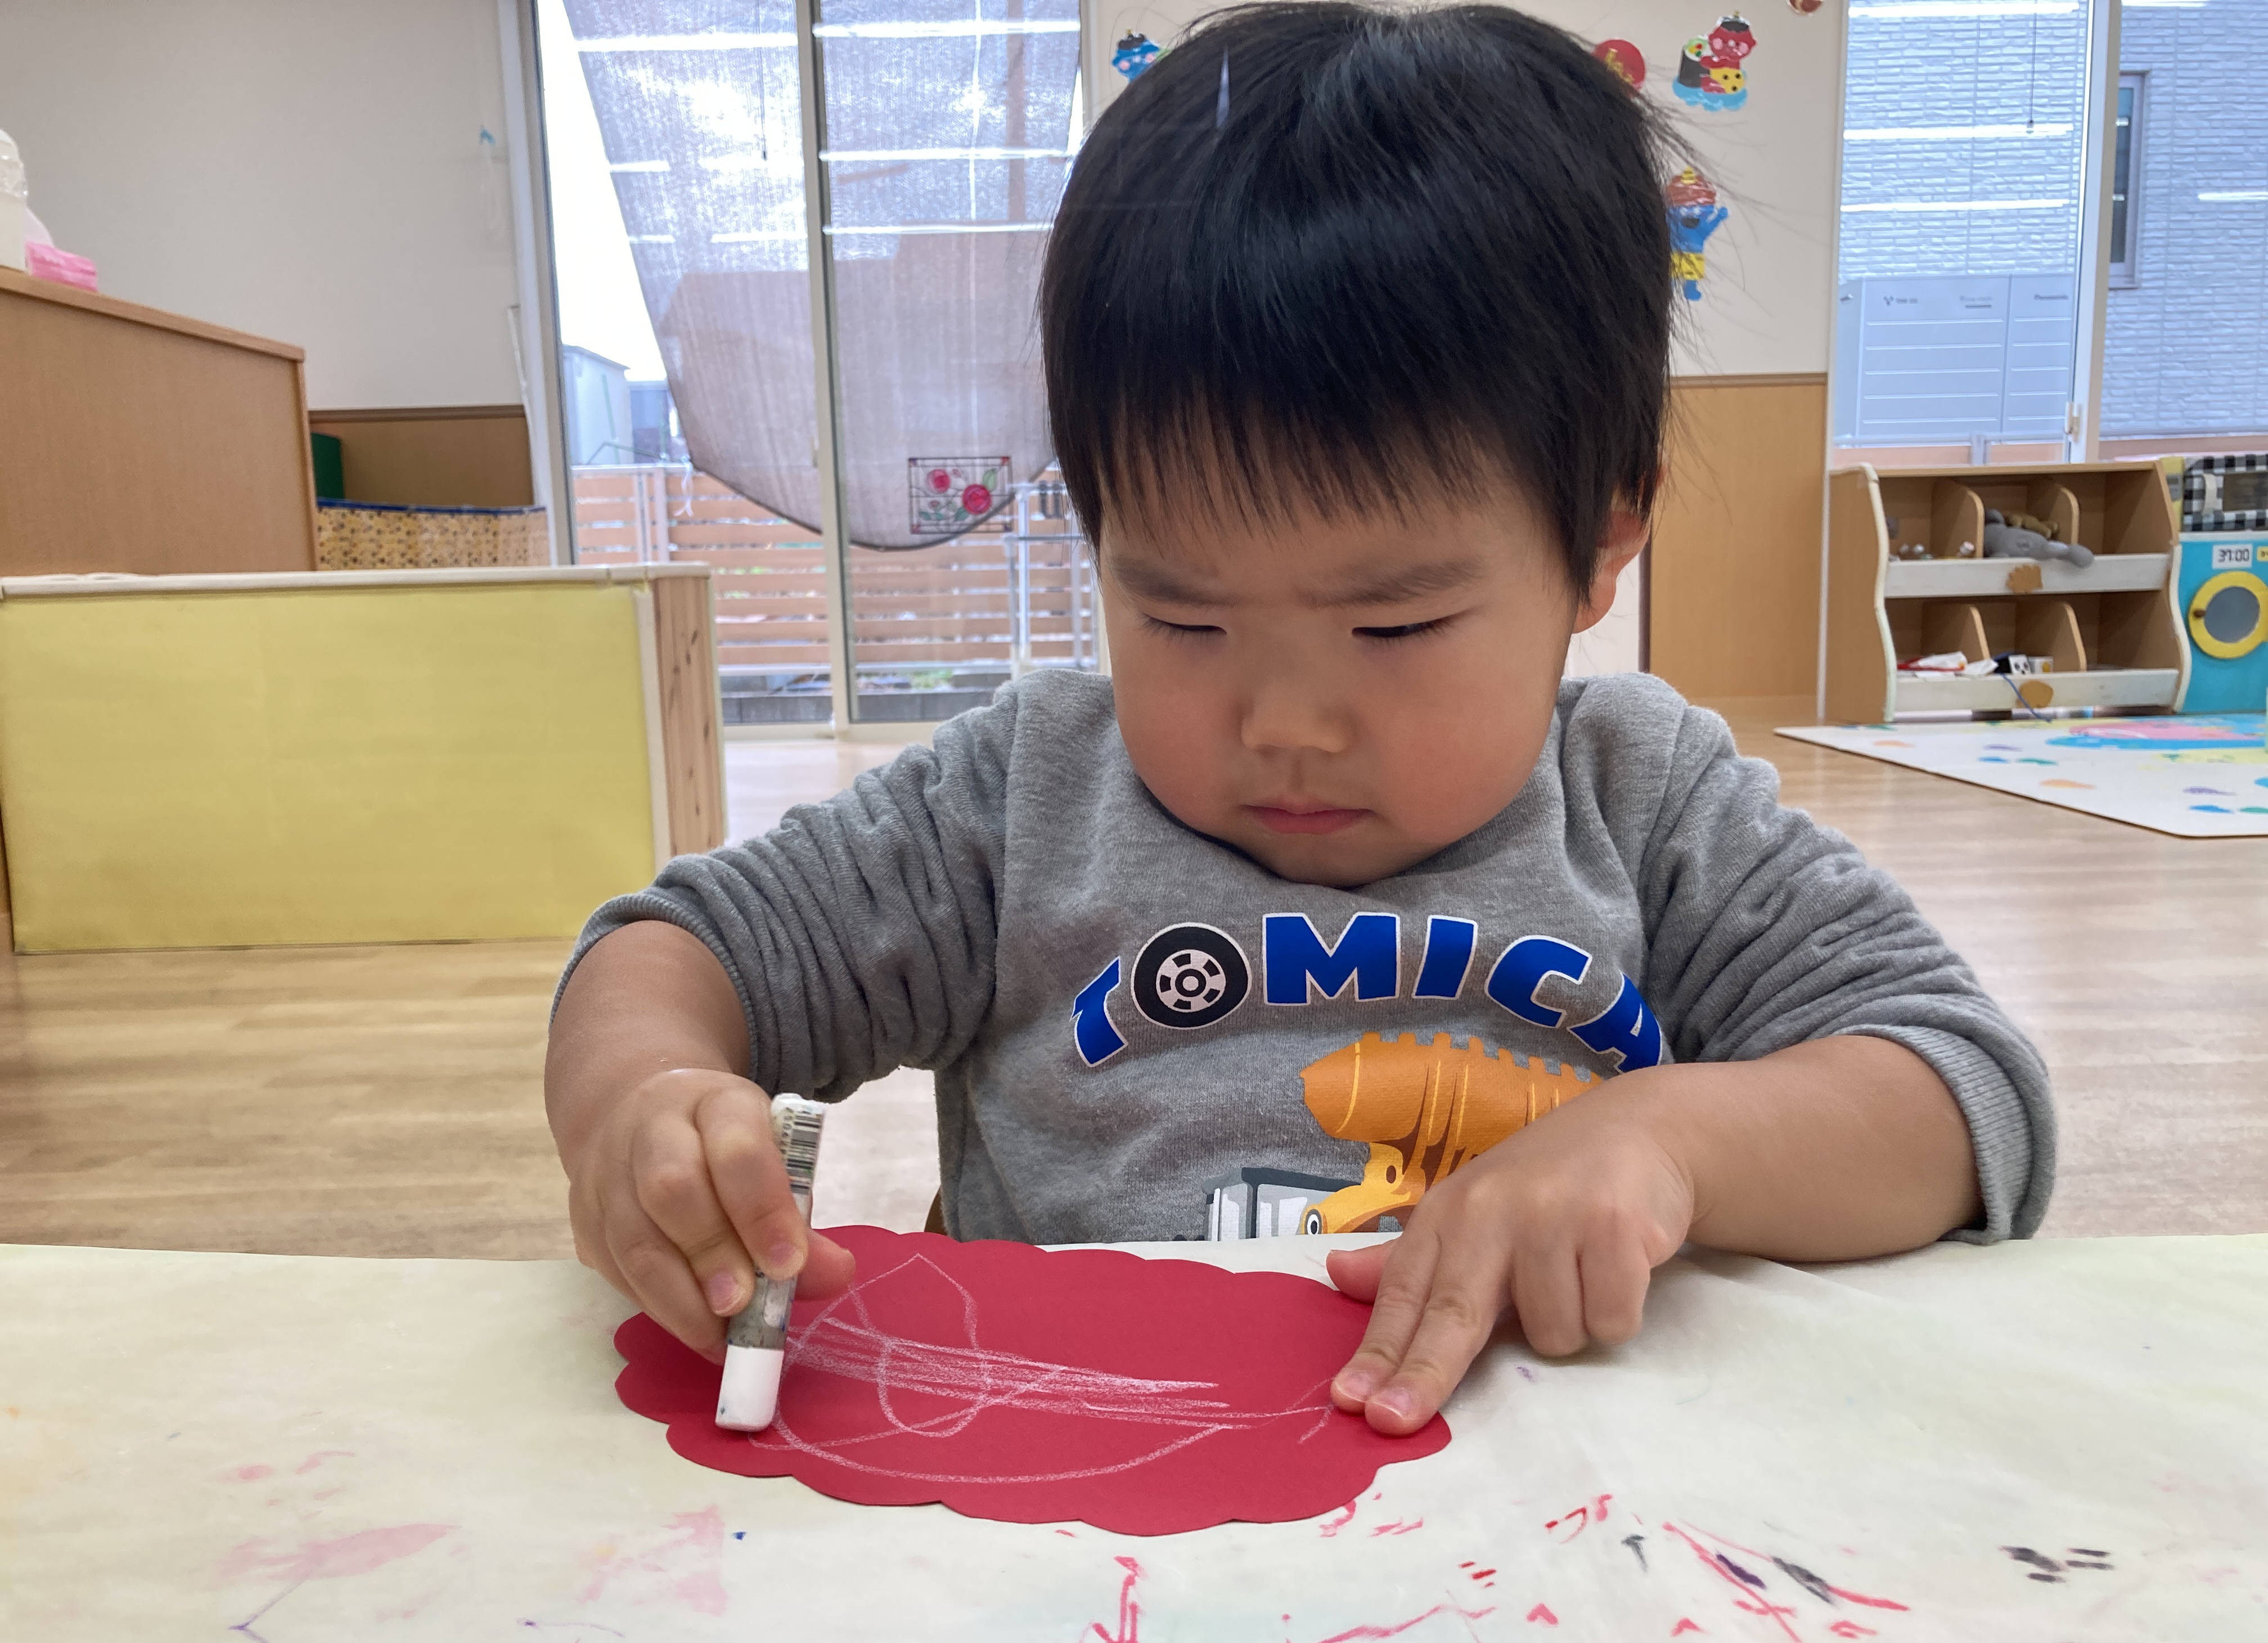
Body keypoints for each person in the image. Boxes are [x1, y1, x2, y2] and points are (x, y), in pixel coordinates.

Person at [544, 2, 2053, 1438]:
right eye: (1182, 619)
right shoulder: (1021, 806)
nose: (1285, 724)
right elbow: (681, 950)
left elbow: (1960, 1095)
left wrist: (1671, 1144)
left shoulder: (1644, 806)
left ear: (1601, 538)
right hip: (1083, 1497)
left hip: (1531, 1521)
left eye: (1393, 628)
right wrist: (644, 1104)